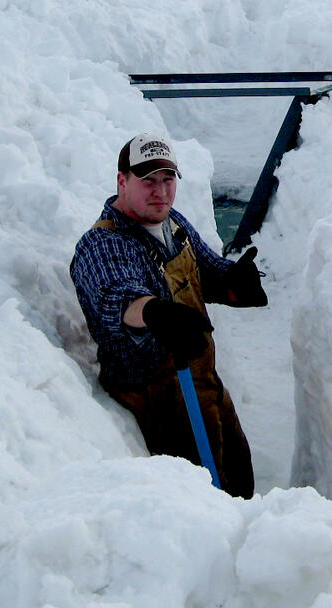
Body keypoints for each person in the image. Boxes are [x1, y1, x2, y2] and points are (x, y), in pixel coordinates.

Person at [70, 133, 267, 497]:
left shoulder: (172, 222)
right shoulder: (102, 245)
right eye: (147, 180)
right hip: (161, 397)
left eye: (167, 179)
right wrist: (155, 313)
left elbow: (206, 270)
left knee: (240, 482)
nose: (160, 191)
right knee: (205, 498)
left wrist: (233, 281)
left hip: (203, 378)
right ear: (122, 180)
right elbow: (118, 298)